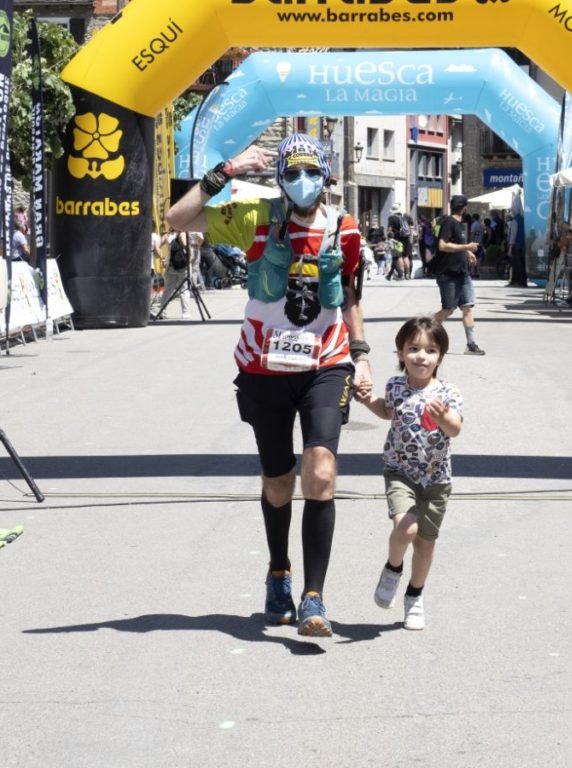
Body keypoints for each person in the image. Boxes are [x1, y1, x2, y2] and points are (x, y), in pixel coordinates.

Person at [166, 134, 371, 637]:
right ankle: (279, 572)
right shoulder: (255, 218)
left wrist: (362, 355)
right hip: (263, 368)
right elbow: (177, 219)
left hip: (326, 364)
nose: (303, 182)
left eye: (312, 172)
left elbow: (349, 296)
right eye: (292, 173)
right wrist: (227, 170)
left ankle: (314, 598)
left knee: (320, 472)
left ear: (327, 176)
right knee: (278, 481)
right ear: (279, 178)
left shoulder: (345, 229)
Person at [355, 315, 463, 631]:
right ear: (401, 353)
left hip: (436, 479)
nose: (421, 356)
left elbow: (455, 429)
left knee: (426, 543)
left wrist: (444, 419)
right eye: (413, 348)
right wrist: (368, 401)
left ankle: (414, 595)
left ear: (440, 356)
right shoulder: (395, 386)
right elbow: (387, 411)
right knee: (406, 528)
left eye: (430, 350)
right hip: (399, 471)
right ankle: (393, 568)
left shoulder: (448, 393)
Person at [433, 194, 485, 355]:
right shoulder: (449, 222)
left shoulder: (460, 224)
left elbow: (458, 244)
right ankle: (422, 329)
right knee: (448, 309)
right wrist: (467, 247)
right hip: (448, 273)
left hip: (463, 273)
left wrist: (468, 252)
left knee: (467, 307)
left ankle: (471, 344)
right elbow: (442, 245)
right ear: (464, 208)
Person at [151, 230, 194, 319]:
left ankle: (162, 312)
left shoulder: (166, 235)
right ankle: (185, 313)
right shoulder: (182, 234)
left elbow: (157, 247)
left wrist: (162, 259)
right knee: (184, 289)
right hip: (182, 266)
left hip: (170, 266)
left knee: (168, 290)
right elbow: (186, 246)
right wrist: (191, 256)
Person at [387, 202, 411, 280]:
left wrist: (388, 236)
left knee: (398, 256)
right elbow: (410, 228)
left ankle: (402, 274)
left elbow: (389, 229)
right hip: (406, 239)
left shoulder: (391, 218)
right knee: (405, 256)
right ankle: (407, 274)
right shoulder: (405, 217)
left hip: (397, 240)